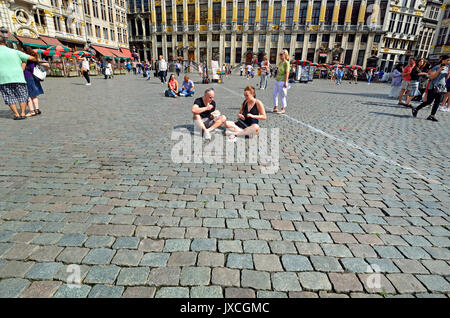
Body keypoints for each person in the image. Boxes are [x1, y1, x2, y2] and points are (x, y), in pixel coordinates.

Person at [0, 34, 39, 120]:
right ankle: (22, 113)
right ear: (5, 42)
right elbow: (33, 58)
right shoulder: (15, 52)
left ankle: (16, 114)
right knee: (22, 95)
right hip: (18, 77)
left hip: (3, 78)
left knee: (9, 96)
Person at [412, 55, 450, 122]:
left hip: (441, 87)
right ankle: (416, 109)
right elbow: (432, 77)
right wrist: (439, 70)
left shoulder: (447, 68)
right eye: (448, 60)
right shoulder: (435, 67)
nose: (449, 62)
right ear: (443, 60)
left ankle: (432, 115)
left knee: (437, 102)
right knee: (429, 101)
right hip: (433, 87)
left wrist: (448, 74)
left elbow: (446, 78)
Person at [22, 46, 47, 117]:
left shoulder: (27, 59)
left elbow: (27, 68)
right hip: (34, 77)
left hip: (27, 77)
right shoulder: (34, 58)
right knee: (34, 95)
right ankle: (37, 109)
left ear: (25, 51)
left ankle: (32, 111)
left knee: (28, 95)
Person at [272, 49, 290, 114]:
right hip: (277, 80)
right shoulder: (280, 63)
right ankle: (275, 107)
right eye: (280, 54)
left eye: (281, 54)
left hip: (282, 81)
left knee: (282, 95)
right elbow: (278, 71)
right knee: (274, 94)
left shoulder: (287, 63)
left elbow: (287, 73)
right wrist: (276, 77)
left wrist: (285, 82)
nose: (280, 56)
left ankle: (283, 108)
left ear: (285, 55)